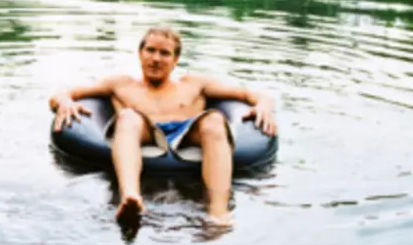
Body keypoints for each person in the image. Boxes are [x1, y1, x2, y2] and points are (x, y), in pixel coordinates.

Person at [49, 26, 277, 226]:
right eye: (150, 50)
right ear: (140, 53)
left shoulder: (195, 84)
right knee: (128, 117)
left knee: (215, 120)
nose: (156, 58)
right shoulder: (120, 85)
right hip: (143, 132)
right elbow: (61, 94)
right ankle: (131, 198)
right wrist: (66, 102)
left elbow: (250, 94)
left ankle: (219, 212)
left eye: (164, 53)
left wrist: (264, 106)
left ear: (176, 60)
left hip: (185, 133)